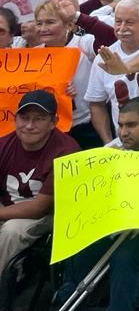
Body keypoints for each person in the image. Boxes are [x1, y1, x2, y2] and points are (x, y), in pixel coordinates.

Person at [54, 97, 139, 311]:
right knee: (82, 243)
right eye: (120, 125)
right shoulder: (115, 149)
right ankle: (67, 297)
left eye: (131, 125)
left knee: (126, 256)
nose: (123, 132)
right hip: (119, 225)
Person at [0, 91, 79, 273]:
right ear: (15, 119)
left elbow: (40, 208)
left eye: (38, 119)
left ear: (54, 123)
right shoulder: (4, 145)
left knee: (12, 231)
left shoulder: (66, 151)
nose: (29, 125)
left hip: (51, 215)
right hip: (6, 208)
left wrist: (1, 213)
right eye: (24, 118)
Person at [83, 0, 139, 143]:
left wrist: (124, 68)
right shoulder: (104, 57)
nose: (122, 28)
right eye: (118, 21)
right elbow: (96, 104)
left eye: (130, 22)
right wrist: (109, 142)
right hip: (127, 144)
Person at [34, 0, 104, 149]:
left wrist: (79, 16)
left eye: (50, 22)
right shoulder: (33, 55)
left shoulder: (83, 44)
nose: (43, 28)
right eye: (39, 23)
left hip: (86, 127)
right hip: (50, 132)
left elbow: (111, 40)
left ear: (69, 25)